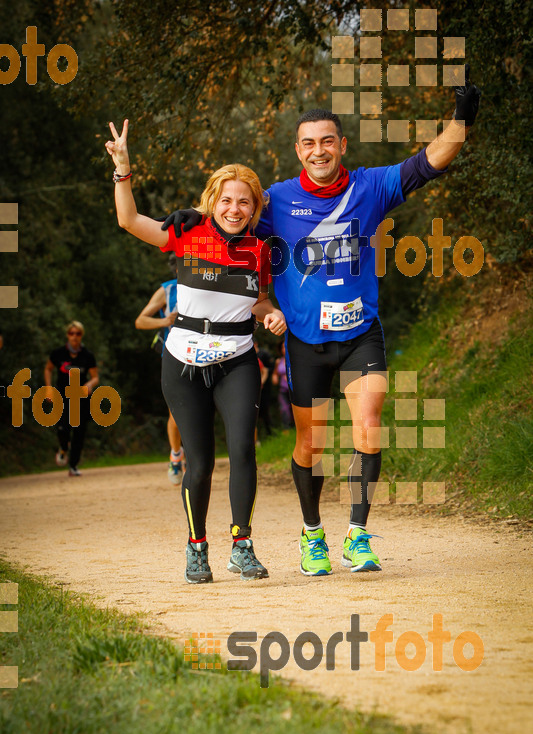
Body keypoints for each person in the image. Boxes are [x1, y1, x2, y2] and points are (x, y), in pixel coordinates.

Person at [164, 70, 481, 577]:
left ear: (341, 145)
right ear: (297, 149)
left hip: (361, 334)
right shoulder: (276, 200)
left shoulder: (371, 187)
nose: (319, 150)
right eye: (309, 143)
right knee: (309, 445)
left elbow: (427, 164)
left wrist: (461, 120)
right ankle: (313, 534)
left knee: (369, 421)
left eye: (327, 141)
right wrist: (190, 217)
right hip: (306, 341)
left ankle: (358, 535)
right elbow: (232, 214)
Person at [105, 119, 286, 584]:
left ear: (255, 207)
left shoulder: (262, 249)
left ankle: (241, 545)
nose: (234, 207)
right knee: (200, 461)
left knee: (243, 449)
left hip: (238, 358)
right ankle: (197, 548)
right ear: (212, 202)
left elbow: (259, 297)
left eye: (244, 201)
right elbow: (128, 220)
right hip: (182, 359)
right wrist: (122, 170)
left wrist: (269, 313)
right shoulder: (187, 234)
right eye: (226, 199)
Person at [135, 257, 186, 485]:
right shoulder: (167, 290)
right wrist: (165, 321)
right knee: (175, 413)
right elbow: (141, 321)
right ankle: (176, 455)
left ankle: (195, 458)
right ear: (176, 268)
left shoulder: (210, 285)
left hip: (206, 357)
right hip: (174, 356)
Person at [44, 320, 99, 476]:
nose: (74, 337)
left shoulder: (87, 356)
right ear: (67, 335)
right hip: (61, 395)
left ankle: (73, 466)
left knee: (79, 433)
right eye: (71, 333)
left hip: (80, 397)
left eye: (78, 334)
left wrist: (90, 384)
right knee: (62, 428)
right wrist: (48, 388)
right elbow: (48, 369)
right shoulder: (58, 353)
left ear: (82, 335)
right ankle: (63, 448)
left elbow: (95, 377)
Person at [272, 341, 293, 431]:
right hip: (283, 389)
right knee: (284, 409)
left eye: (286, 347)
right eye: (283, 347)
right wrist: (275, 377)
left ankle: (298, 428)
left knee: (295, 409)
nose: (285, 349)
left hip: (294, 389)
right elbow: (275, 373)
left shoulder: (295, 359)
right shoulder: (278, 361)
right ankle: (286, 429)